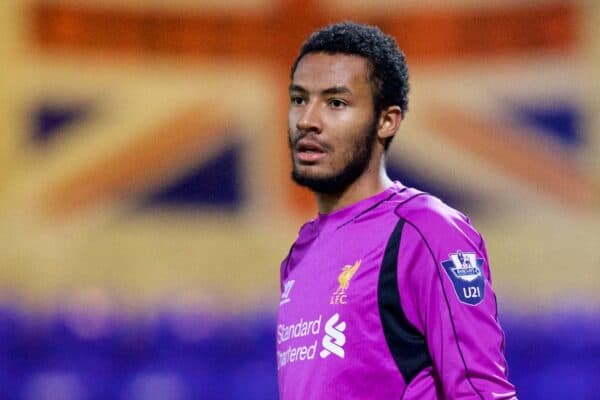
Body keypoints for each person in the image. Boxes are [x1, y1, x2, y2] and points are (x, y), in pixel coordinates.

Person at [277, 22, 517, 399]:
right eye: (299, 99)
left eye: (335, 102)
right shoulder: (299, 254)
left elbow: (482, 393)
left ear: (387, 121)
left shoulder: (425, 230)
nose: (307, 120)